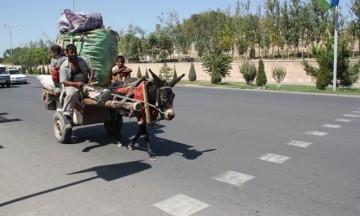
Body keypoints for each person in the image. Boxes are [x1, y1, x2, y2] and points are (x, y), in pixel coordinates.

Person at [59, 44, 104, 119]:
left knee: (98, 93)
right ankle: (68, 114)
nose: (74, 54)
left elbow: (91, 70)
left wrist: (90, 80)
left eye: (75, 52)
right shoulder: (64, 66)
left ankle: (100, 98)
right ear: (66, 53)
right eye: (71, 52)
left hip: (85, 84)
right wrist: (77, 83)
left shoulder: (82, 59)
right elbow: (64, 82)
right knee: (71, 94)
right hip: (72, 85)